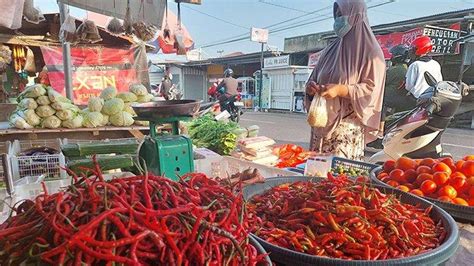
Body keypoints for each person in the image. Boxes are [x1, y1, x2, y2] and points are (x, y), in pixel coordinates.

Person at [305, 0, 386, 160]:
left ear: (356, 15)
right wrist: (311, 89)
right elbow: (313, 78)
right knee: (314, 177)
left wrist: (341, 90)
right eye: (336, 16)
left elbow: (372, 89)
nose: (337, 20)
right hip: (321, 126)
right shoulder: (330, 50)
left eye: (341, 15)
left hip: (345, 130)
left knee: (339, 179)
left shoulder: (371, 52)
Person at [383, 44, 417, 114]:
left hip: (388, 98)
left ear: (398, 56)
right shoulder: (407, 68)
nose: (392, 57)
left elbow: (380, 82)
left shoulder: (396, 69)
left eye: (393, 55)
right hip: (399, 98)